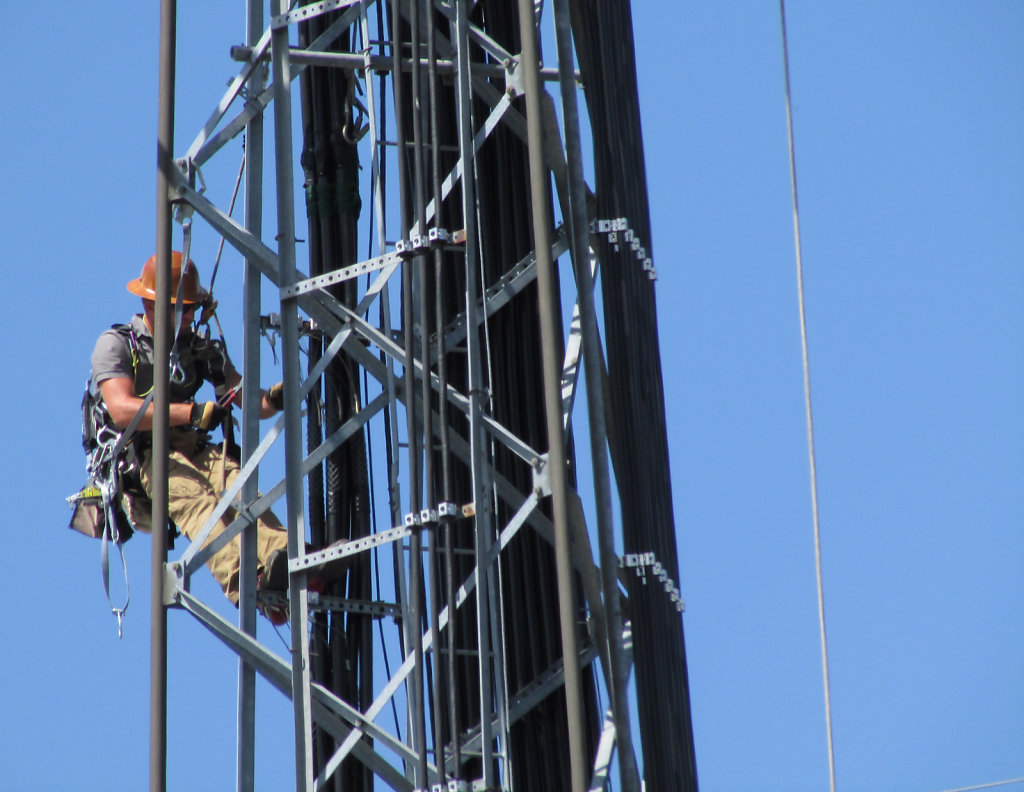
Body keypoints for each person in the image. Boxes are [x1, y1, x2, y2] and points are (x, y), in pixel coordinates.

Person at [90, 251, 292, 623]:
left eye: (190, 309)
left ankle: (290, 560)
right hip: (144, 458)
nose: (186, 318)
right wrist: (192, 413)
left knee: (237, 484)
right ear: (149, 303)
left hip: (192, 447)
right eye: (179, 309)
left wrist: (271, 400)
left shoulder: (197, 348)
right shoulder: (119, 345)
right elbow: (122, 409)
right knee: (199, 503)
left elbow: (241, 396)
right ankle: (251, 583)